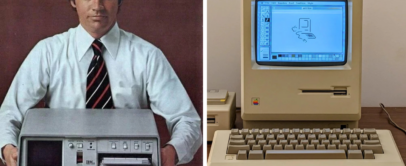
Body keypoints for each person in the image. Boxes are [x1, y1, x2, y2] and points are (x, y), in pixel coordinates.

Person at [0, 0, 202, 166]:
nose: (97, 5)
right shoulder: (47, 52)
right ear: (73, 1)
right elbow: (9, 113)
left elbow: (187, 119)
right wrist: (7, 148)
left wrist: (172, 152)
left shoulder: (148, 56)